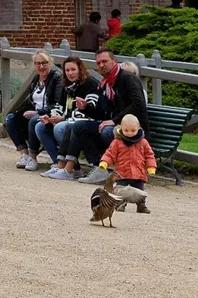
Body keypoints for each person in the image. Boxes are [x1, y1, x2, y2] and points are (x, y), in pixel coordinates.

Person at [79, 47, 150, 183]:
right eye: (98, 63)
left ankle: (125, 170)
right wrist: (85, 109)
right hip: (115, 123)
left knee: (108, 131)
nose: (101, 65)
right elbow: (103, 113)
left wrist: (114, 120)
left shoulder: (127, 78)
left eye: (104, 61)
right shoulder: (106, 83)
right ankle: (99, 168)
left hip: (133, 127)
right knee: (79, 127)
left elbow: (138, 104)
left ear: (114, 61)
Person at [2, 50, 63, 171]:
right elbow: (32, 101)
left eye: (44, 63)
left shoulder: (57, 78)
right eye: (37, 63)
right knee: (11, 119)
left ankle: (33, 156)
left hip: (51, 114)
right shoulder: (35, 79)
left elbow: (57, 103)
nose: (41, 66)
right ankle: (24, 154)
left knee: (34, 120)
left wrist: (38, 113)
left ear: (50, 63)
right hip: (36, 112)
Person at [44, 55, 102, 179]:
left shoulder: (90, 84)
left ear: (80, 69)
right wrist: (52, 116)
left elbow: (90, 109)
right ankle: (63, 166)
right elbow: (60, 104)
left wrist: (64, 117)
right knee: (40, 126)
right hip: (70, 119)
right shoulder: (68, 86)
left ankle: (68, 168)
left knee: (64, 127)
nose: (70, 73)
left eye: (73, 69)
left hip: (88, 120)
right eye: (67, 70)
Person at [95, 114, 156, 212]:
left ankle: (141, 205)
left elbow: (149, 155)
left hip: (139, 173)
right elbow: (110, 153)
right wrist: (104, 162)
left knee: (140, 192)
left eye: (133, 130)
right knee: (121, 191)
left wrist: (151, 166)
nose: (129, 133)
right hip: (122, 173)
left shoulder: (143, 142)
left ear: (138, 128)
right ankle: (120, 204)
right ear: (121, 128)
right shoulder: (117, 142)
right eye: (126, 130)